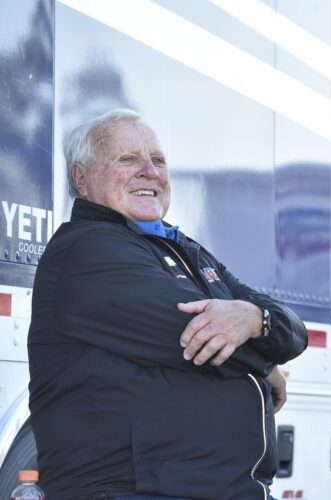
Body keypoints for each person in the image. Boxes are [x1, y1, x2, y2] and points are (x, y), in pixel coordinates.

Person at [28, 109, 308, 499]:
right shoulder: (87, 250)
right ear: (81, 177)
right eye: (128, 159)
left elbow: (292, 329)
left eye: (158, 160)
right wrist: (267, 363)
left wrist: (255, 320)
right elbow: (198, 338)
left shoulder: (183, 249)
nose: (149, 171)